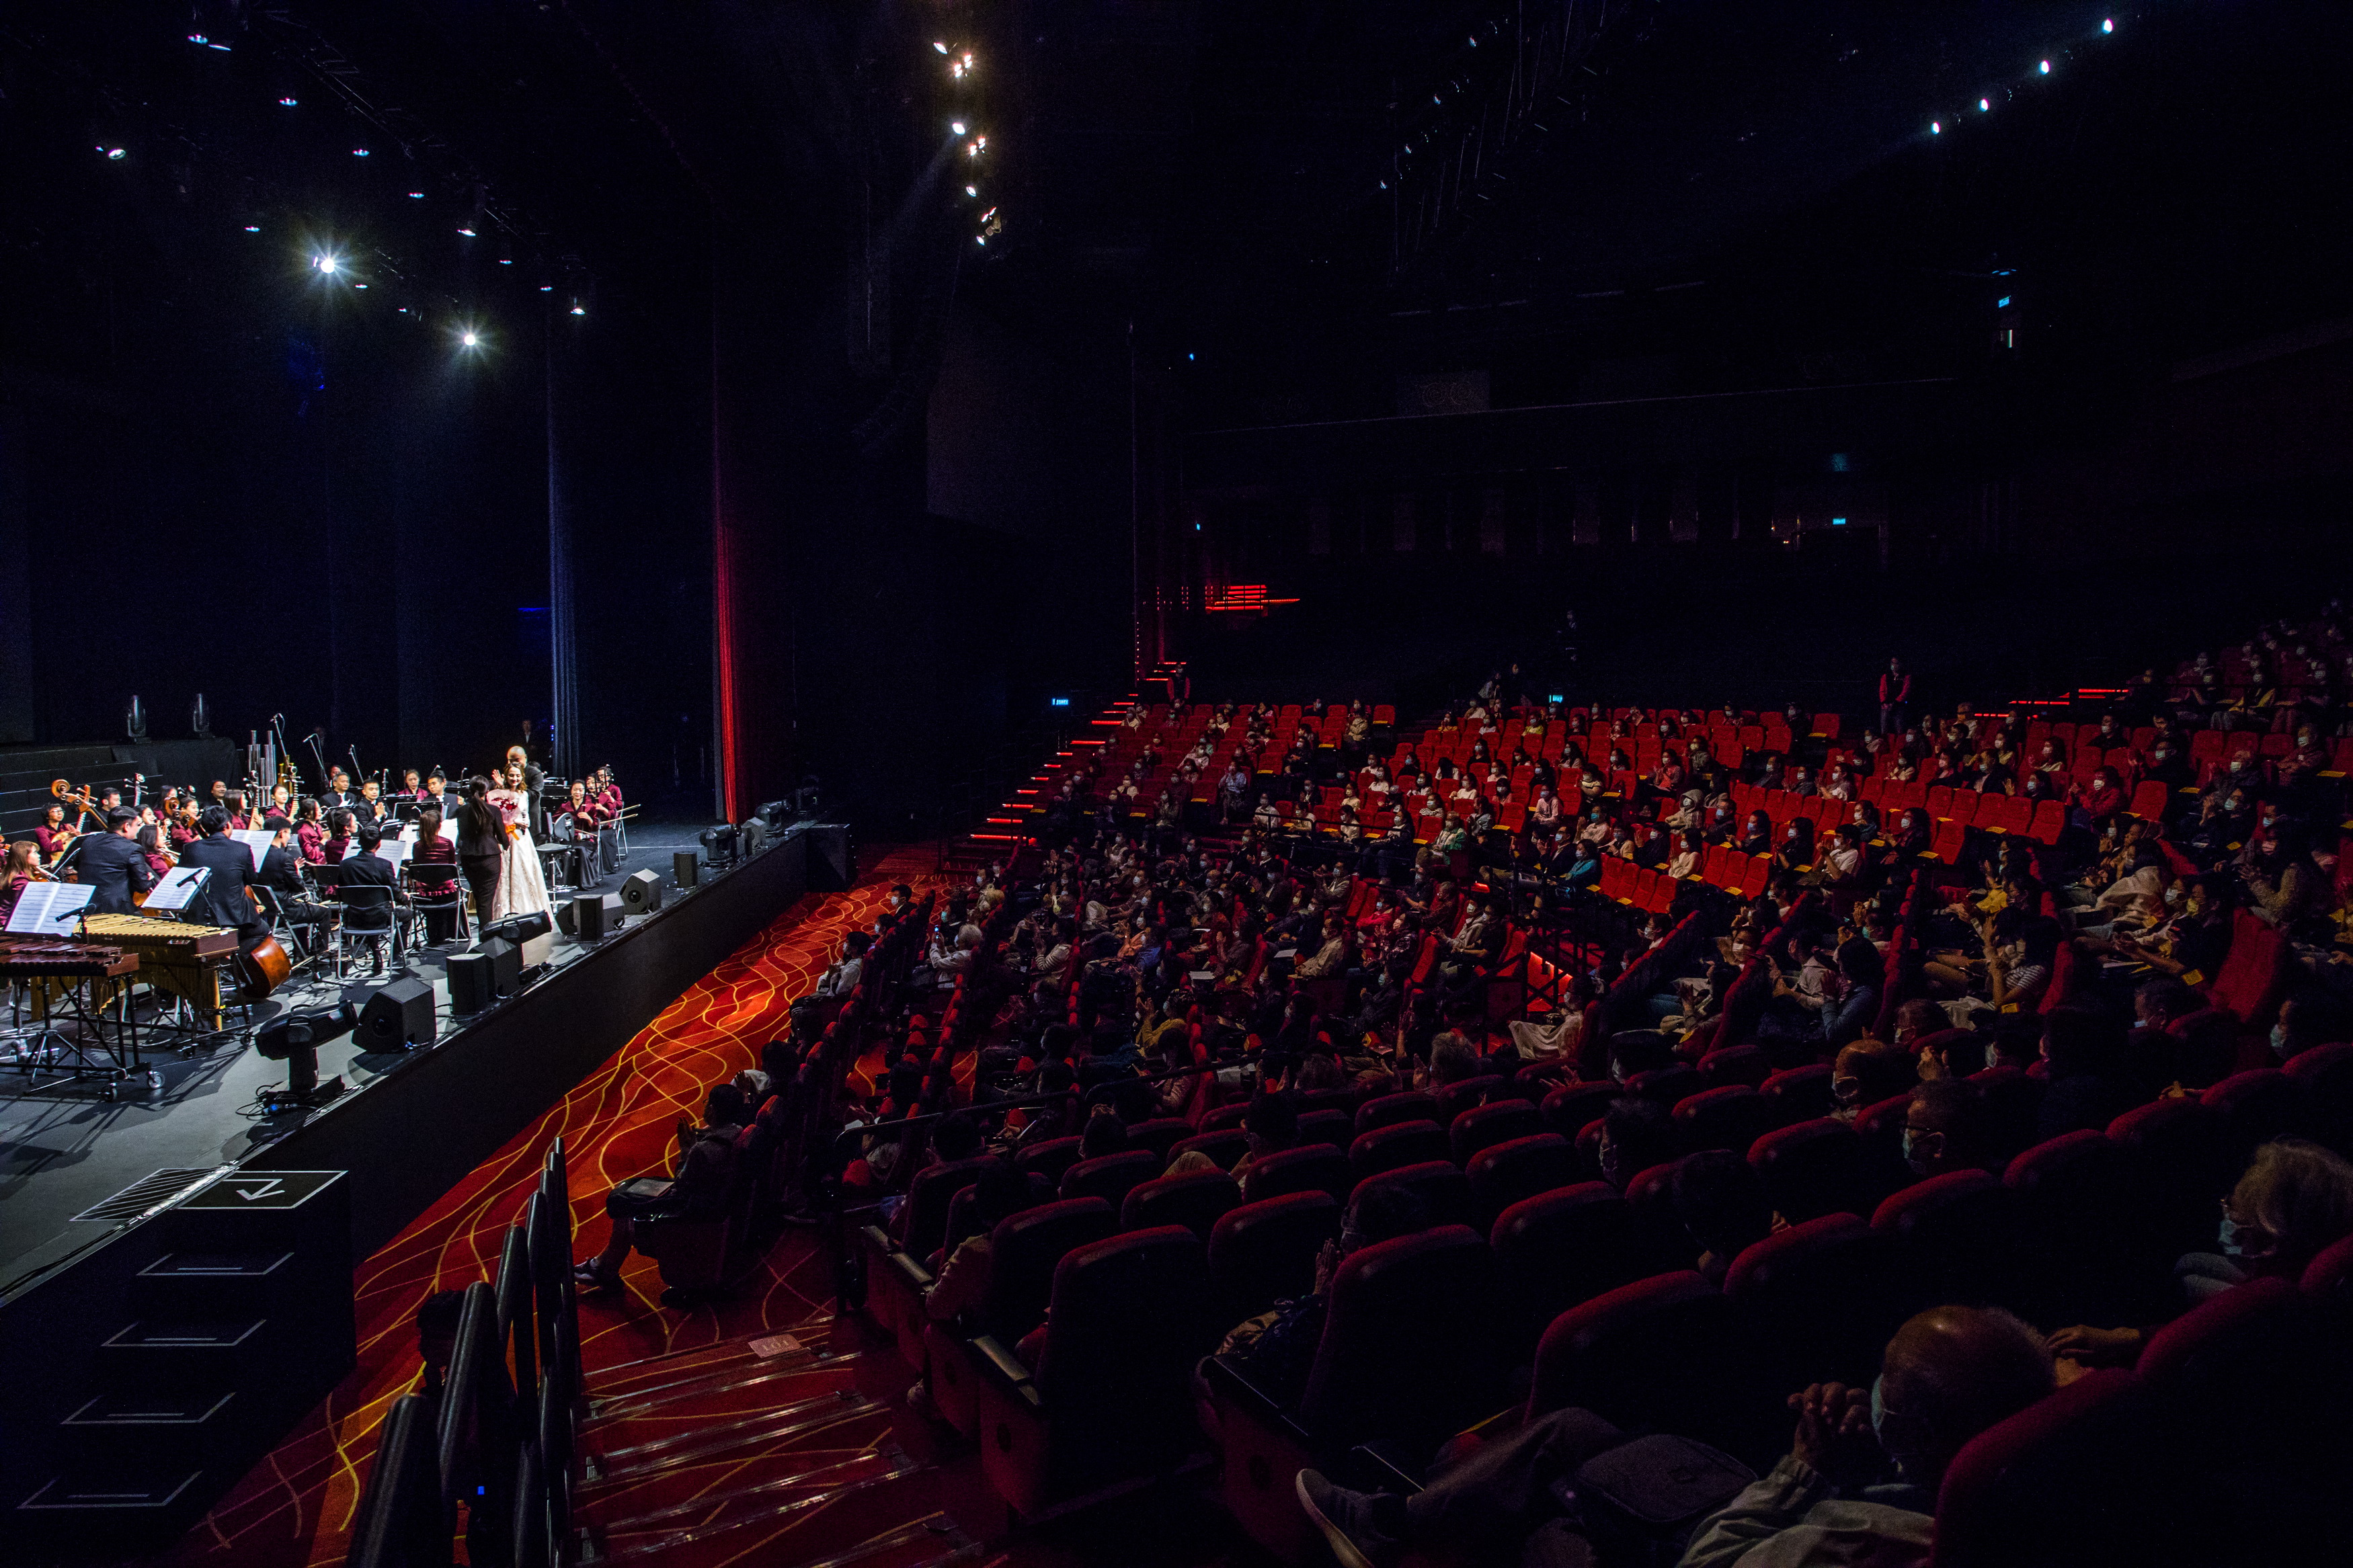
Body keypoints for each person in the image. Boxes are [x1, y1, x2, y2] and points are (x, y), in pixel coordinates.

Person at [1295, 1305, 2056, 1568]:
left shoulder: (1863, 1543)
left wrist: (1803, 1466)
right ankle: (1393, 1520)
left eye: (1884, 1382)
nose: (1869, 1388)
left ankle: (1407, 1534)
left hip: (1739, 1536)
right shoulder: (2016, 1459)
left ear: (1918, 1430)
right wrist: (1860, 1453)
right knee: (1571, 1429)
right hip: (1784, 1507)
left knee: (1547, 1523)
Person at [2048, 1139, 2353, 1370]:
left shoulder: (2266, 1311)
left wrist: (2127, 1338)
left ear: (2269, 1243)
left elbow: (2196, 1343)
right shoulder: (2324, 1270)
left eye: (2235, 1214)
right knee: (2190, 1266)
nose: (2227, 1219)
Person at [574, 1083, 749, 1298]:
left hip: (692, 1206)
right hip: (714, 1198)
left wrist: (685, 1149)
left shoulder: (702, 1151)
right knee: (629, 1195)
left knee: (621, 1201)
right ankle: (604, 1265)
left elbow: (681, 1183)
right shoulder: (738, 1132)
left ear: (712, 1109)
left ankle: (605, 1270)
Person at [178, 807, 267, 940]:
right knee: (263, 930)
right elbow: (251, 879)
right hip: (235, 916)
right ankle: (237, 959)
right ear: (227, 825)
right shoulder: (242, 848)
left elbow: (182, 880)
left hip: (199, 916)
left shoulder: (189, 849)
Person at [489, 762, 552, 918]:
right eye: (511, 775)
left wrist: (526, 822)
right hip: (507, 836)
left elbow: (525, 813)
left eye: (518, 775)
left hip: (522, 838)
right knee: (507, 871)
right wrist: (515, 822)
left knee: (526, 869)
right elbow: (500, 816)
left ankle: (527, 906)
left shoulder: (524, 794)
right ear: (506, 776)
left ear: (522, 776)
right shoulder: (499, 793)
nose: (514, 778)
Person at [77, 807, 157, 914]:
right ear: (127, 826)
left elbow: (77, 866)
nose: (139, 829)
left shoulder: (88, 841)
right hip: (117, 911)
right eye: (138, 825)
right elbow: (142, 887)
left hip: (86, 907)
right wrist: (146, 879)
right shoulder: (133, 848)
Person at [454, 776, 508, 924]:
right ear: (487, 791)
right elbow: (502, 836)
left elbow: (462, 835)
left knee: (479, 898)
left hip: (468, 858)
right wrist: (507, 845)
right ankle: (487, 939)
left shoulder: (461, 811)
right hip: (490, 858)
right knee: (486, 901)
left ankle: (485, 936)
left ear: (470, 790)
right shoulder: (493, 810)